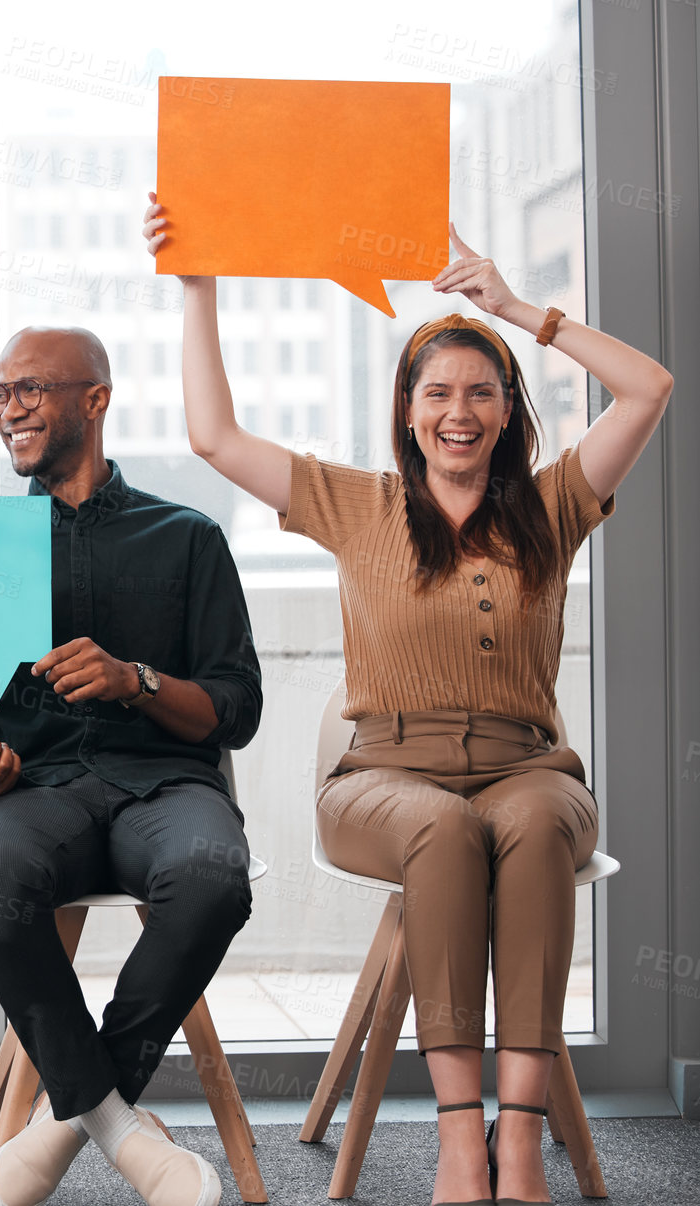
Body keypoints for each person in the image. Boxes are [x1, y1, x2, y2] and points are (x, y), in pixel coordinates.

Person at [144, 195, 672, 1205]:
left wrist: (520, 310)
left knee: (521, 825)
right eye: (437, 393)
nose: (459, 413)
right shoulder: (358, 506)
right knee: (441, 828)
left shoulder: (551, 506)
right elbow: (211, 435)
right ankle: (456, 1137)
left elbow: (649, 389)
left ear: (509, 410)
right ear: (408, 410)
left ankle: (519, 1145)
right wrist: (198, 286)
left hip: (529, 767)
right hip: (382, 777)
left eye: (481, 393)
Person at [0, 326, 262, 1206]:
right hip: (33, 794)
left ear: (93, 400)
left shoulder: (186, 538)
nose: (9, 408)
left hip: (166, 789)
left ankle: (65, 1118)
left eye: (30, 389)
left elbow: (235, 709)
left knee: (215, 876)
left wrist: (133, 680)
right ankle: (119, 1131)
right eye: (0, 392)